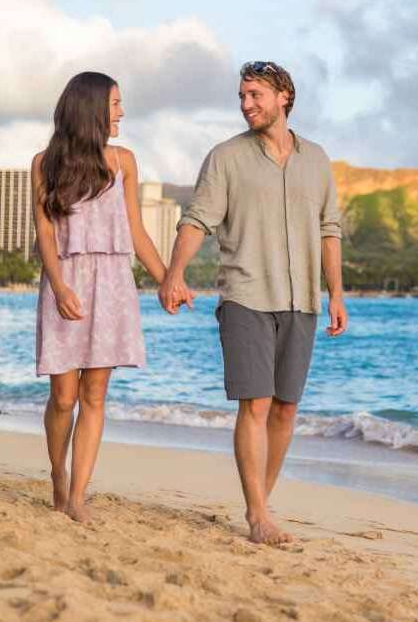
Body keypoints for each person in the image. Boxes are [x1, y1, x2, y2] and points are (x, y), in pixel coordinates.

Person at [159, 61, 347, 544]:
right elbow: (197, 220)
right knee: (256, 404)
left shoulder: (318, 159)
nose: (246, 104)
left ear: (284, 95)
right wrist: (174, 274)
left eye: (255, 95)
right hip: (245, 294)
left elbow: (329, 231)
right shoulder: (226, 157)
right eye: (242, 96)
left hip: (301, 298)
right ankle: (258, 515)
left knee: (286, 408)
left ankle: (259, 502)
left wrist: (336, 296)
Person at [32, 71, 175, 522]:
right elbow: (44, 234)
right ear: (92, 108)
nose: (122, 112)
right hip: (66, 280)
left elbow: (137, 232)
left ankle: (77, 495)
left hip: (113, 283)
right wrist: (58, 287)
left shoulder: (124, 161)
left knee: (95, 394)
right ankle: (58, 474)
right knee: (63, 397)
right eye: (115, 104)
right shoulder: (43, 163)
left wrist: (167, 280)